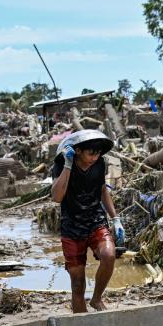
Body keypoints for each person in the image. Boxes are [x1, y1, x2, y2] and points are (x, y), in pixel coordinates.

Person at [51, 131, 125, 313]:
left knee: (109, 255)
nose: (95, 157)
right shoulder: (61, 164)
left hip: (95, 220)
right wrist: (68, 165)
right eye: (90, 153)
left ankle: (97, 298)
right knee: (77, 284)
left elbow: (102, 190)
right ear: (78, 151)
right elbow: (57, 197)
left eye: (98, 153)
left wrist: (115, 218)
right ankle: (81, 325)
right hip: (72, 226)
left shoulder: (100, 163)